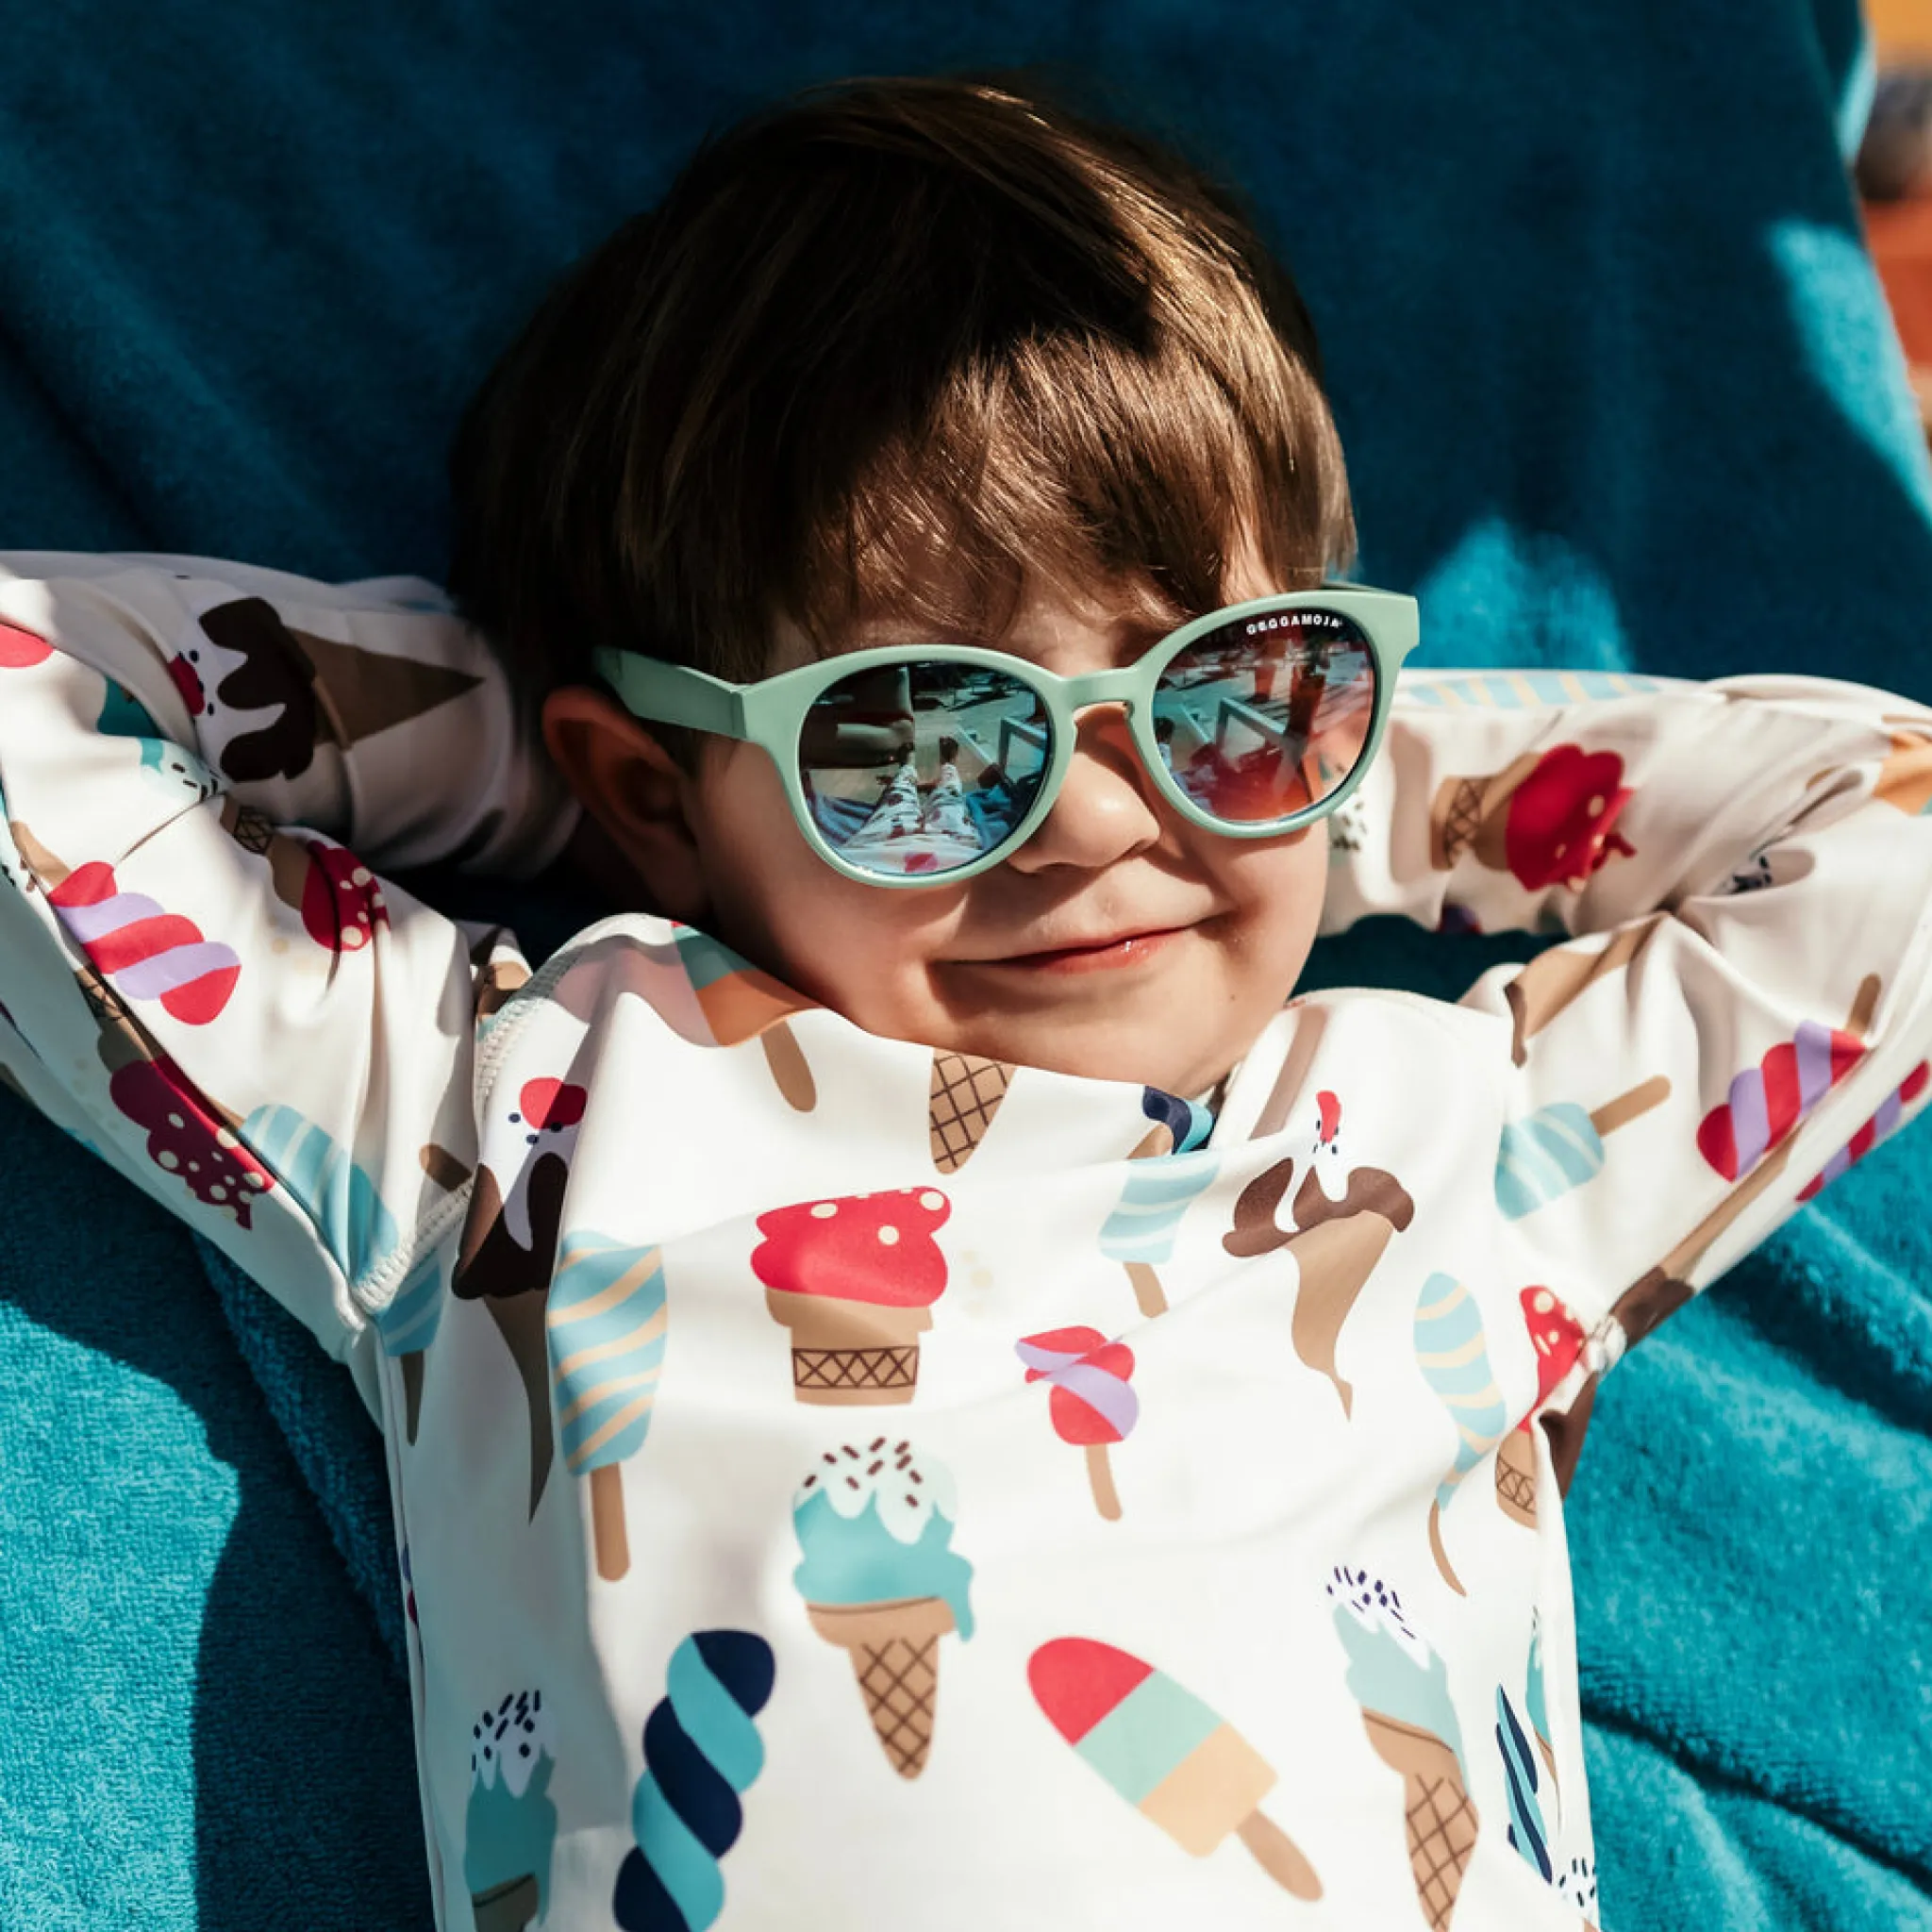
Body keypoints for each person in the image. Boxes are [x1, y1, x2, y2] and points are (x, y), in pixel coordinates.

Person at [0, 69, 1928, 1932]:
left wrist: (1319, 785)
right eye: (916, 737)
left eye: (1225, 685)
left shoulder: (1458, 1159)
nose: (1097, 821)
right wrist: (545, 761)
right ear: (651, 790)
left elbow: (1891, 838)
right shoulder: (504, 1120)